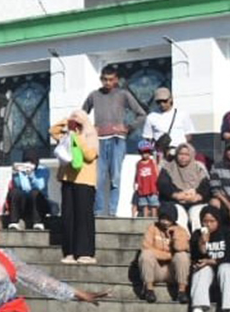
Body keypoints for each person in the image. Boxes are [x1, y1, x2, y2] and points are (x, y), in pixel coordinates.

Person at [82, 66, 146, 216]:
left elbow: (141, 114)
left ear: (116, 80)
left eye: (111, 79)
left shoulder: (123, 94)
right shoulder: (94, 95)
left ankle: (112, 212)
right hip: (98, 142)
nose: (107, 82)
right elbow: (82, 115)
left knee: (115, 178)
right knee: (97, 179)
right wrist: (90, 129)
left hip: (118, 140)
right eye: (105, 79)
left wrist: (128, 128)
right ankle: (97, 212)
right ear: (101, 79)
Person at [50, 111, 99, 264]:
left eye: (78, 121)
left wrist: (78, 138)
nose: (75, 124)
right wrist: (67, 121)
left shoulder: (91, 134)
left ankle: (85, 252)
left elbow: (90, 155)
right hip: (68, 180)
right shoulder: (67, 135)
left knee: (83, 217)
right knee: (68, 216)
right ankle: (69, 251)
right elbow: (53, 131)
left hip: (85, 181)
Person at [189, 206, 230, 312]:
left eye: (212, 221)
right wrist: (202, 242)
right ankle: (198, 307)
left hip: (228, 268)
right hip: (208, 271)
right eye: (205, 221)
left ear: (218, 221)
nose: (208, 224)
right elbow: (196, 257)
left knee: (225, 268)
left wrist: (211, 261)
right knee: (202, 270)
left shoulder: (227, 233)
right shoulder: (197, 234)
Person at [136, 214, 191, 303]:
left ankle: (182, 291)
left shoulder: (181, 230)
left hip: (173, 271)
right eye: (163, 219)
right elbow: (146, 247)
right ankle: (149, 290)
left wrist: (175, 235)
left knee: (182, 255)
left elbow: (181, 248)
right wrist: (168, 255)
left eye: (168, 219)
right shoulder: (152, 228)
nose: (165, 222)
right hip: (155, 269)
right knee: (146, 255)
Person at [158, 143, 211, 233]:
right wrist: (177, 195)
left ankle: (198, 240)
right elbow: (164, 185)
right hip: (175, 202)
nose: (183, 157)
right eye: (180, 154)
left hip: (196, 201)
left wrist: (198, 196)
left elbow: (206, 186)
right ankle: (183, 242)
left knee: (196, 216)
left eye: (186, 155)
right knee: (179, 217)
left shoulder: (199, 168)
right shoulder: (168, 167)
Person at [140, 86, 194, 159]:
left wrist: (182, 149)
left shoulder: (182, 114)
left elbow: (188, 135)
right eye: (158, 102)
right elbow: (148, 138)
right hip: (161, 153)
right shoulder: (151, 117)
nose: (162, 104)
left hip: (179, 153)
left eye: (164, 101)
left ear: (170, 99)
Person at [5, 150, 51, 230]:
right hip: (24, 203)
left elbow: (40, 186)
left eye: (32, 162)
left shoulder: (43, 170)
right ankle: (14, 221)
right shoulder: (21, 170)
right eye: (27, 161)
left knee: (34, 193)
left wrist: (31, 175)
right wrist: (16, 174)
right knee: (14, 192)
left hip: (39, 203)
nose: (29, 164)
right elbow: (20, 187)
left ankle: (37, 222)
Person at [132, 141, 160, 218]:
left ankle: (154, 218)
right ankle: (145, 218)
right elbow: (137, 174)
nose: (145, 154)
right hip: (143, 188)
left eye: (147, 152)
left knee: (153, 204)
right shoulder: (139, 163)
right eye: (143, 152)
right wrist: (135, 183)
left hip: (152, 188)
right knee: (144, 204)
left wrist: (158, 184)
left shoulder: (152, 162)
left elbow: (156, 172)